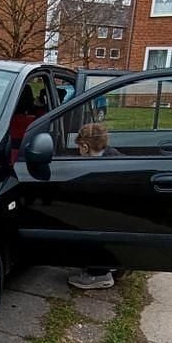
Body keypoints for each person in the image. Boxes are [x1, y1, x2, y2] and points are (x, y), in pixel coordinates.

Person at [68, 122, 121, 290]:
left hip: (108, 217)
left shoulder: (102, 167)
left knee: (88, 226)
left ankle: (99, 274)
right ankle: (113, 267)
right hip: (115, 214)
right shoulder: (114, 156)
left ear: (85, 146)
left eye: (79, 147)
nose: (78, 151)